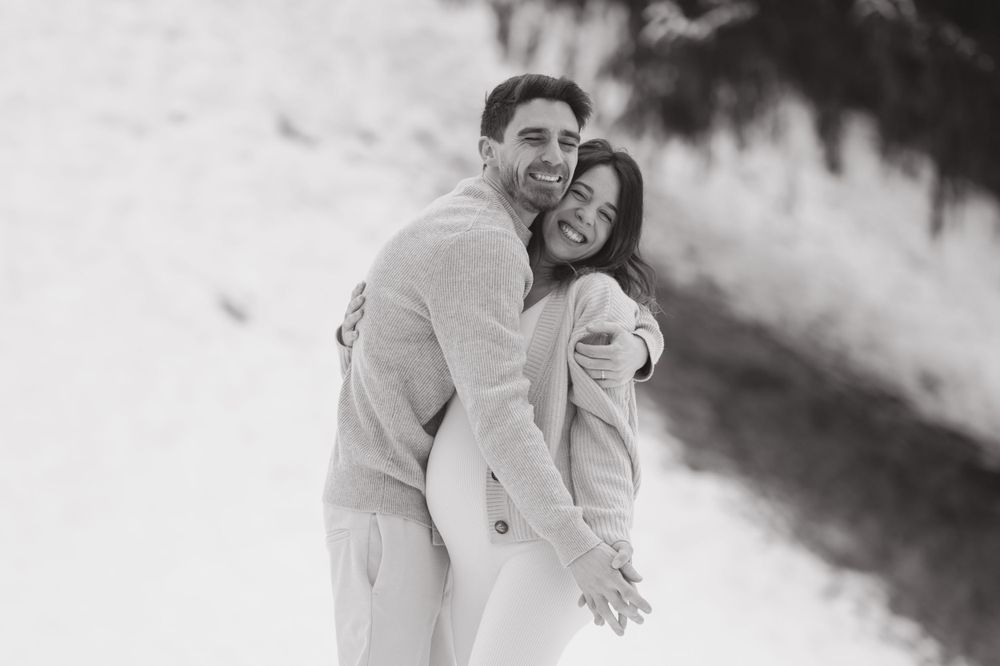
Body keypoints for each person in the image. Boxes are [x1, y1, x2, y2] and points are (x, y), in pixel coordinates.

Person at [323, 74, 662, 666]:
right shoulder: (493, 252)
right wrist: (352, 334)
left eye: (605, 215)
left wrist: (600, 543)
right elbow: (423, 360)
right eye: (581, 195)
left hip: (503, 542)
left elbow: (603, 430)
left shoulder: (576, 290)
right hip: (416, 520)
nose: (584, 216)